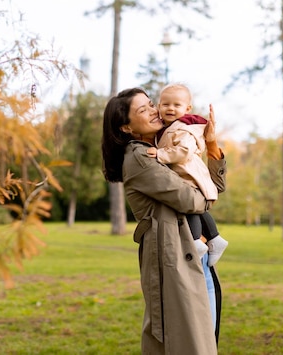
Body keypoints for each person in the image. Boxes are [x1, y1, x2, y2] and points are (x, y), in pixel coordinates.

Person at [102, 87, 227, 354]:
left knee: (202, 340)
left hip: (193, 255)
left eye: (150, 104)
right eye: (143, 110)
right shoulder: (139, 157)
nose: (154, 110)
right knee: (186, 342)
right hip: (173, 259)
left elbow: (213, 186)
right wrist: (206, 196)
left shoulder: (164, 146)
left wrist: (212, 144)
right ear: (126, 127)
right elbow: (190, 199)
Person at [146, 83, 229, 267]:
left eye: (177, 105)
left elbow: (183, 151)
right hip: (185, 177)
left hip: (190, 176)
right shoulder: (166, 129)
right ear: (159, 106)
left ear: (187, 109)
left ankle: (196, 241)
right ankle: (214, 238)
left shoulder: (184, 128)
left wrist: (160, 154)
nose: (170, 108)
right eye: (166, 104)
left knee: (190, 205)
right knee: (195, 207)